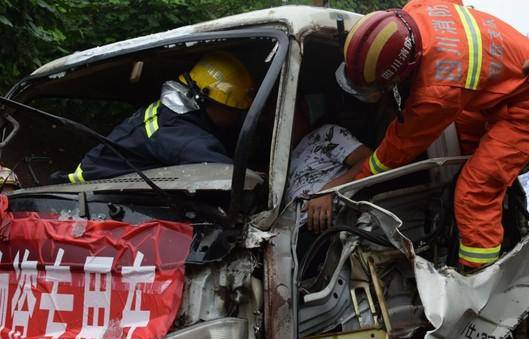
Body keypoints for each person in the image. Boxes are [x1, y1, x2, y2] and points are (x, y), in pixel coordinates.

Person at [336, 0, 529, 270]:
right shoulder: (417, 9)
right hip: (503, 82)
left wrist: (352, 182)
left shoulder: (436, 91)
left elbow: (399, 148)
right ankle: (495, 216)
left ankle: (478, 274)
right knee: (462, 157)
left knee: (475, 192)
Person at [51, 51, 253, 184]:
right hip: (85, 199)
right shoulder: (181, 135)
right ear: (203, 98)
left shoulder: (168, 111)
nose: (237, 115)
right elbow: (230, 180)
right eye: (233, 108)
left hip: (90, 190)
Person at [286, 101, 371, 233]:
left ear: (304, 109)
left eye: (283, 111)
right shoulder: (282, 162)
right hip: (292, 239)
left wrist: (329, 191)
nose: (278, 121)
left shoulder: (325, 134)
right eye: (269, 116)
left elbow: (369, 160)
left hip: (331, 226)